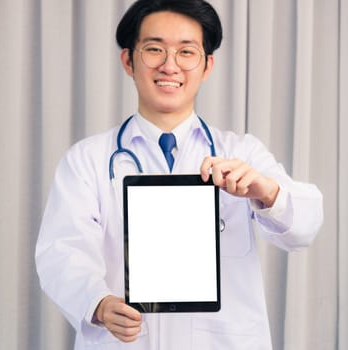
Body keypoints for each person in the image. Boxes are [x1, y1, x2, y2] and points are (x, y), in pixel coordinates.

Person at [35, 0, 323, 349]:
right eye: (154, 49)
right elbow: (61, 252)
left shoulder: (243, 153)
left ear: (206, 66)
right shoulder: (88, 160)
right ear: (128, 60)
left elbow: (305, 226)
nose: (170, 66)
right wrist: (98, 303)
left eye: (187, 52)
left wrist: (266, 191)